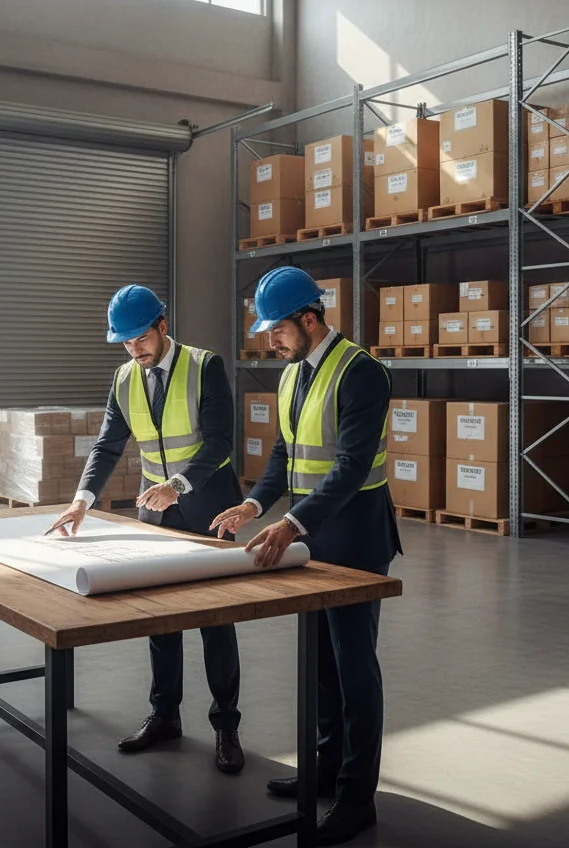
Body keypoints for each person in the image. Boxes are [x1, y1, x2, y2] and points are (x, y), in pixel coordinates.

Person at [210, 266, 400, 846]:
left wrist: (291, 524)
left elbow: (348, 467)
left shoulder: (361, 372)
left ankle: (355, 797)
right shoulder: (294, 374)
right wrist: (253, 504)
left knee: (353, 664)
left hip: (356, 536)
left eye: (278, 329)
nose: (270, 339)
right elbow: (285, 455)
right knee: (319, 657)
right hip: (314, 533)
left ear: (309, 320)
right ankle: (323, 771)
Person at [46, 284, 245, 775]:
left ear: (163, 325)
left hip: (208, 512)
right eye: (125, 341)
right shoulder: (124, 378)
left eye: (140, 338)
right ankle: (164, 716)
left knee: (215, 622)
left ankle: (226, 727)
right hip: (156, 513)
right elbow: (107, 445)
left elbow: (221, 442)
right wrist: (81, 501)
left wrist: (178, 484)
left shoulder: (205, 366)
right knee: (160, 622)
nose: (134, 348)